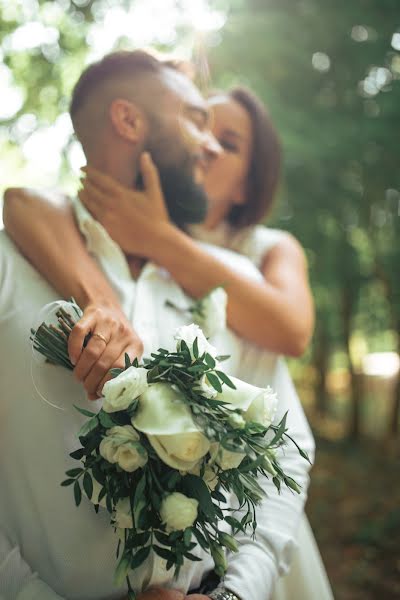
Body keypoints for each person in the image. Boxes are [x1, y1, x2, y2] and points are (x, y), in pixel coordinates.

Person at [0, 50, 319, 600]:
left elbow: (285, 450)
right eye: (197, 118)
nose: (212, 144)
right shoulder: (11, 262)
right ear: (128, 120)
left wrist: (235, 592)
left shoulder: (231, 284)